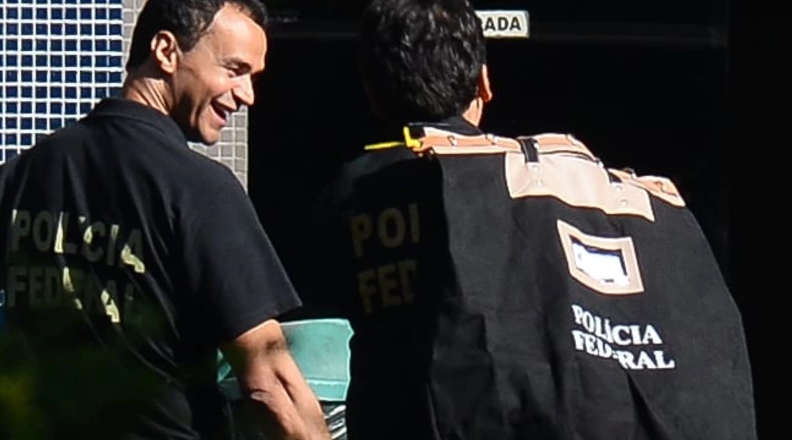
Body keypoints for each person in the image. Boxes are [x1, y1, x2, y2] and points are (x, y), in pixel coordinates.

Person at [282, 0, 756, 438]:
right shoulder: (527, 192)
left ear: (371, 90)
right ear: (484, 84)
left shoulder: (348, 194)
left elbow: (302, 335)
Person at [0, 0, 331, 438]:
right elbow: (270, 380)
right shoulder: (201, 190)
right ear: (165, 51)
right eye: (234, 69)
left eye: (252, 78)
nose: (247, 95)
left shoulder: (33, 168)